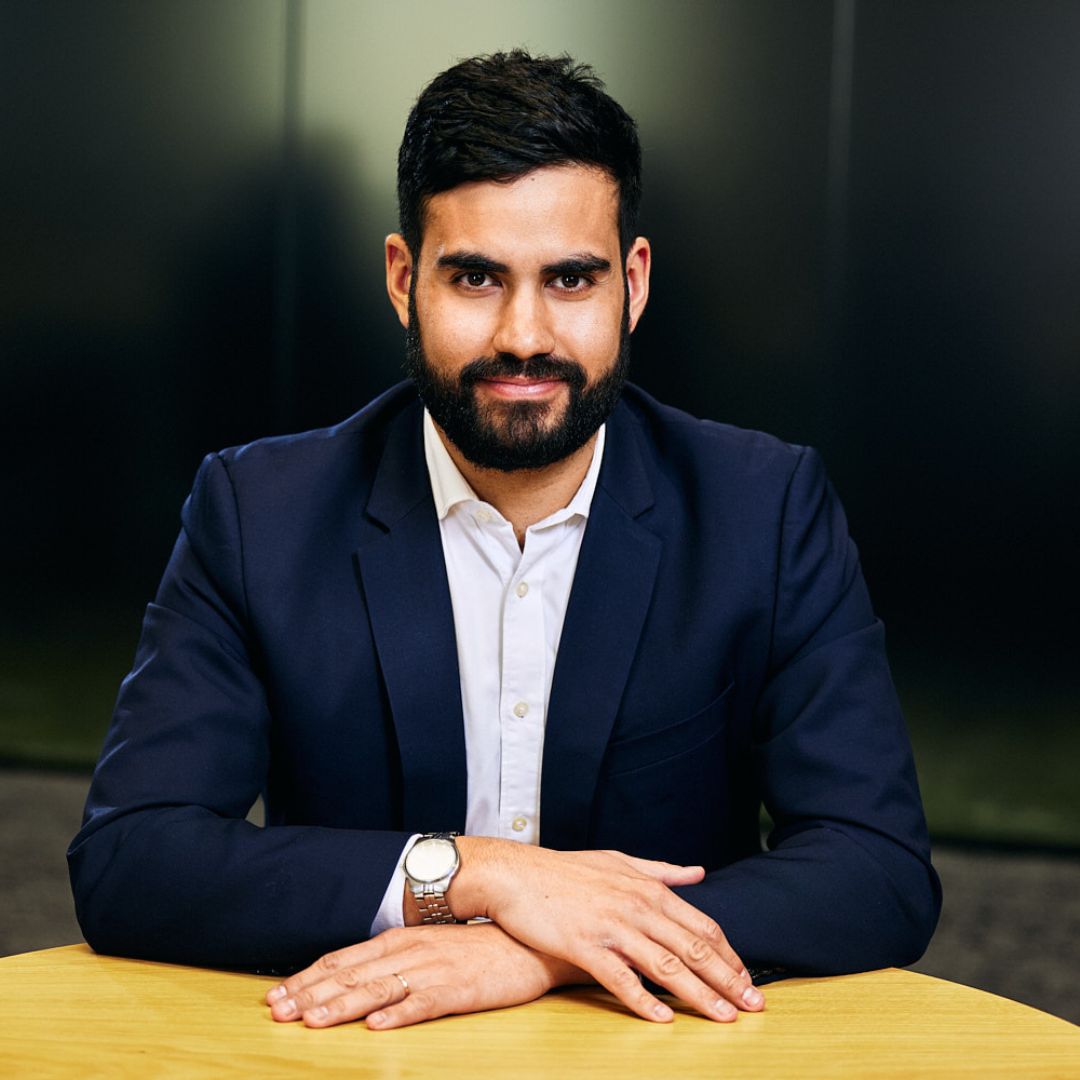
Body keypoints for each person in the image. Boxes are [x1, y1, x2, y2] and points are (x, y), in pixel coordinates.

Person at [68, 50, 940, 1031]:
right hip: (357, 1055)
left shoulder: (764, 509)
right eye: (476, 277)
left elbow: (878, 868)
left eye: (571, 279)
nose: (524, 334)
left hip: (653, 1055)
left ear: (634, 283)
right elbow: (132, 858)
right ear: (404, 281)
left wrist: (541, 953)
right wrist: (479, 876)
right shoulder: (257, 512)